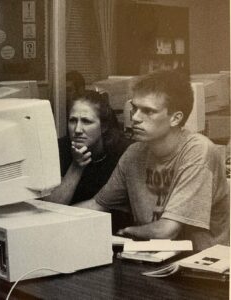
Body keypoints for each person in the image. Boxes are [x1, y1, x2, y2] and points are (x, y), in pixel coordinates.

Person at [74, 70, 230, 250]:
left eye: (148, 111)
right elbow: (98, 204)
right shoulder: (134, 153)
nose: (135, 118)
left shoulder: (198, 150)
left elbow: (167, 231)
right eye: (134, 108)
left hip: (200, 267)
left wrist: (126, 232)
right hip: (151, 257)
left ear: (175, 118)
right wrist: (53, 219)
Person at [46, 91, 132, 212]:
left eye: (86, 121)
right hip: (68, 222)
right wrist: (76, 166)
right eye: (73, 120)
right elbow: (53, 207)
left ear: (104, 127)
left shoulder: (124, 151)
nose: (77, 129)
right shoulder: (59, 148)